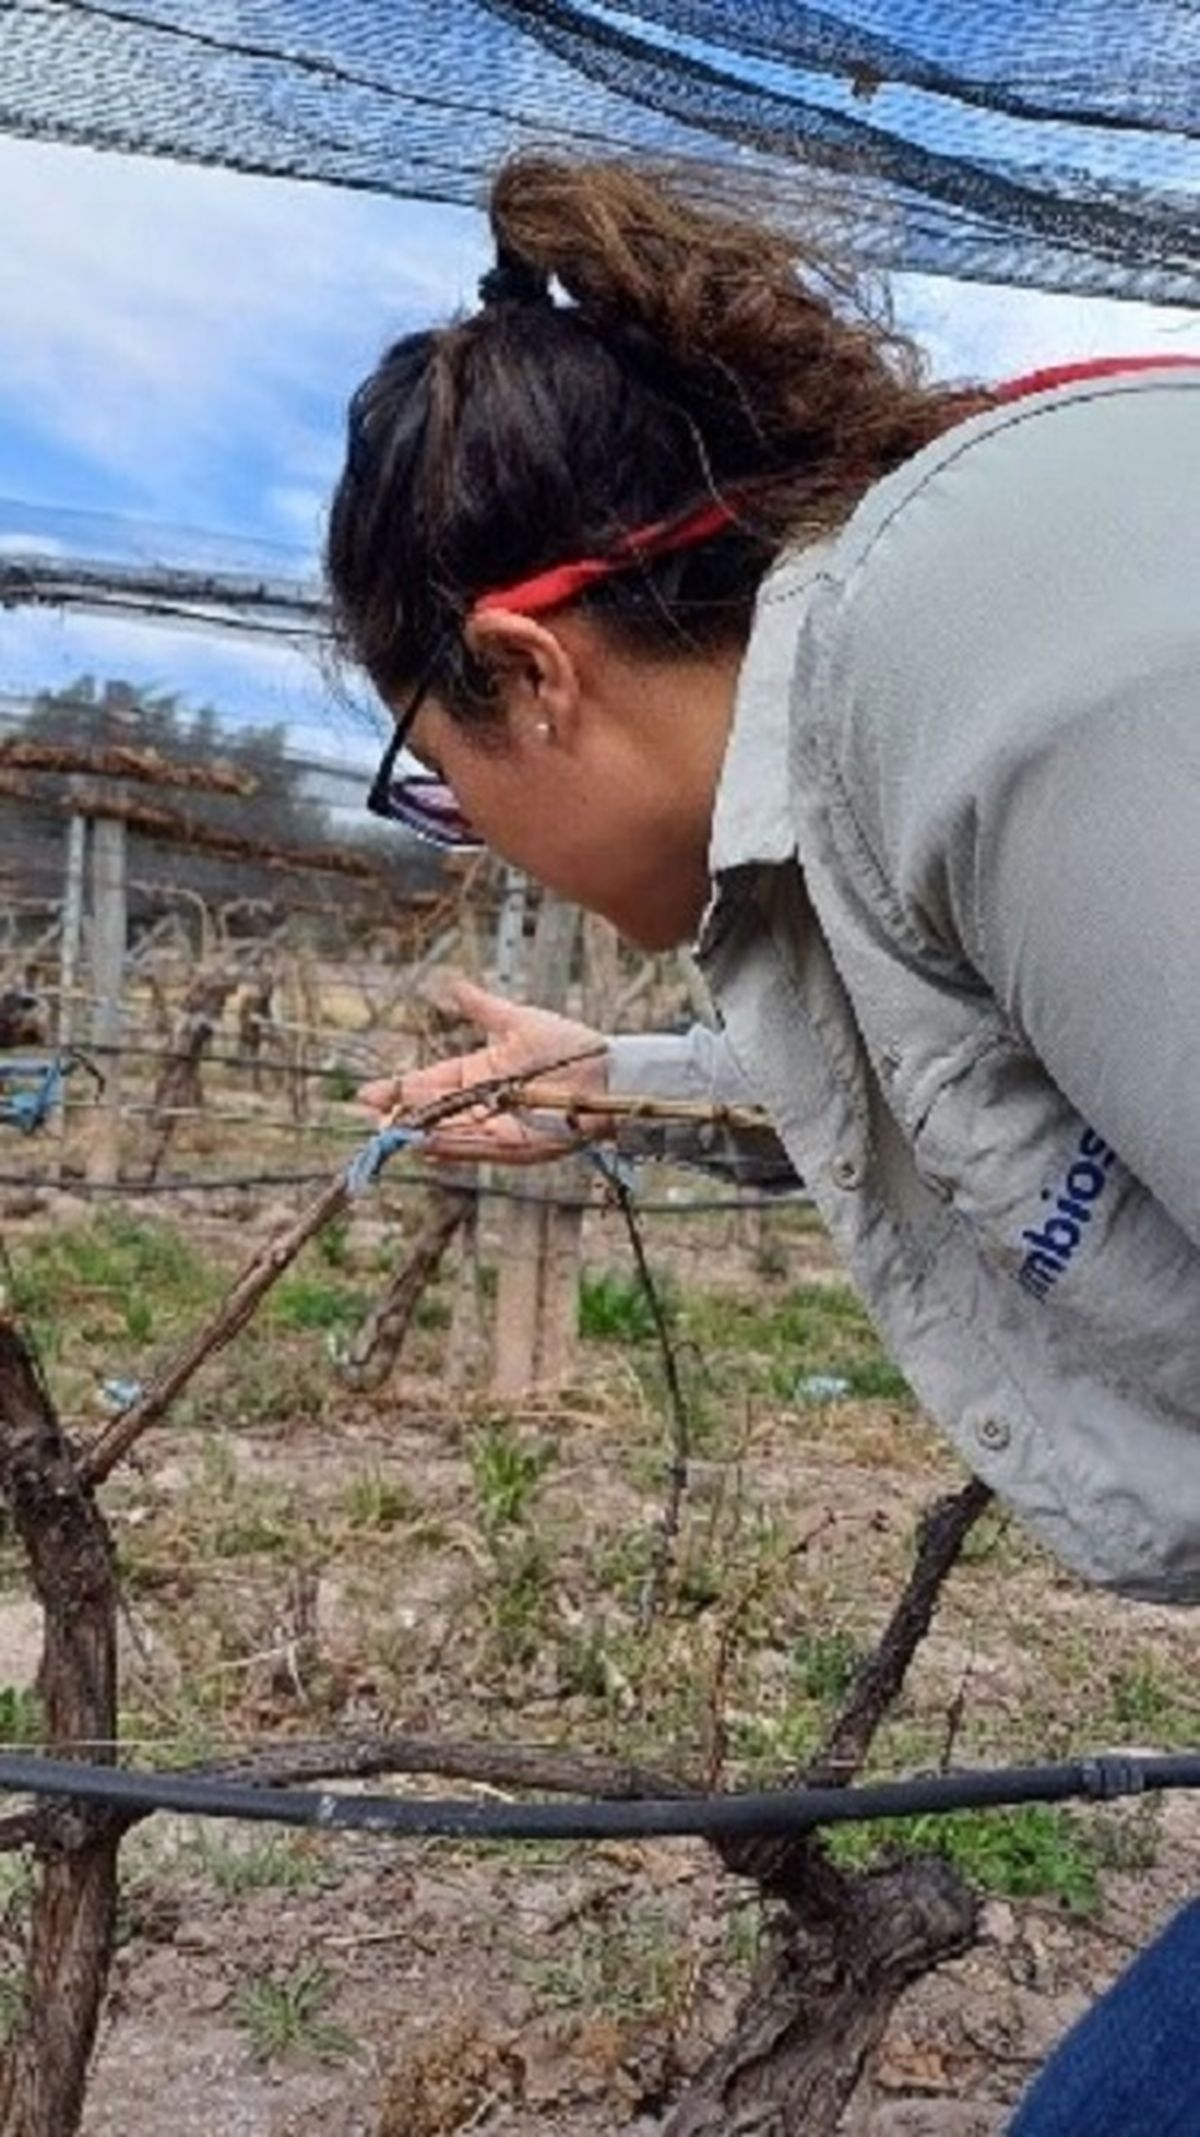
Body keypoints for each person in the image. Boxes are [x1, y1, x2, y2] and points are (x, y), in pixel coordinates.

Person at [326, 153, 1200, 2129]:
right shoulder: (914, 687)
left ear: (528, 670)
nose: (461, 833)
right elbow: (970, 1050)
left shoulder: (996, 686)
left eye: (434, 785)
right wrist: (610, 1076)